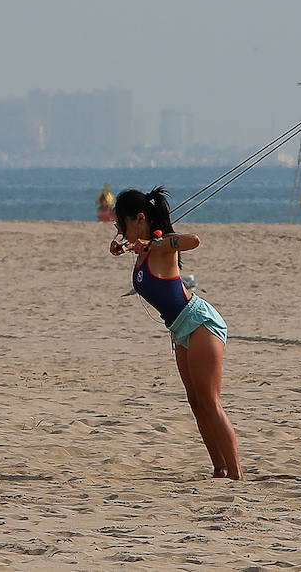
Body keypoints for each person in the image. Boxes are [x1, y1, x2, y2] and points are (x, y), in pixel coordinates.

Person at [111, 186, 242, 480]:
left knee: (210, 401)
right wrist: (128, 246)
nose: (120, 231)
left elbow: (193, 240)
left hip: (199, 322)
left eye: (122, 224)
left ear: (140, 218)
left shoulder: (164, 244)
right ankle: (219, 469)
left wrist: (152, 244)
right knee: (196, 402)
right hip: (180, 330)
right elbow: (138, 250)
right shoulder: (141, 248)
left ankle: (237, 475)